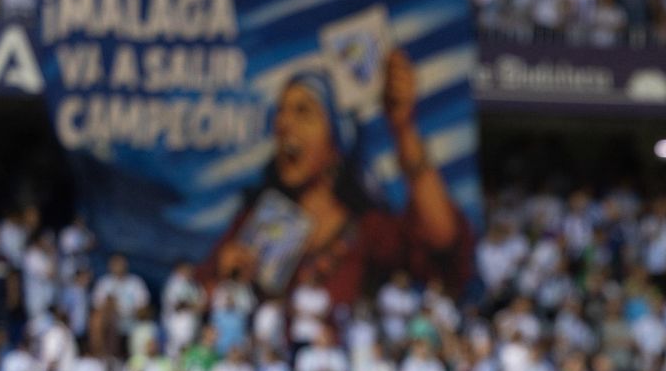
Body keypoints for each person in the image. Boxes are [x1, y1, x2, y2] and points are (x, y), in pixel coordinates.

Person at [202, 57, 473, 305]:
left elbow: (442, 241)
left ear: (336, 141)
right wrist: (224, 278)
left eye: (303, 112)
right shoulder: (254, 224)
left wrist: (402, 128)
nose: (284, 123)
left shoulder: (366, 230)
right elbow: (197, 297)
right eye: (281, 112)